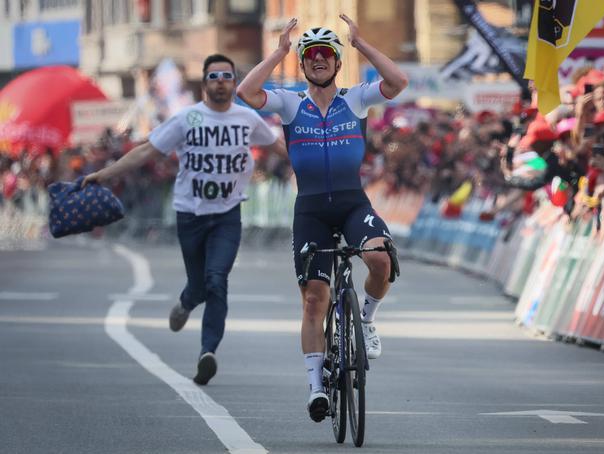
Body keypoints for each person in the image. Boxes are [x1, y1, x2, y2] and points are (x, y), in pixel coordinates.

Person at [236, 15, 408, 422]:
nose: (317, 60)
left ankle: (365, 319)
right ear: (303, 63)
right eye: (309, 55)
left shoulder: (358, 98)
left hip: (352, 203)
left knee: (381, 259)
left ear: (336, 62)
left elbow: (398, 82)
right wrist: (279, 52)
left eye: (325, 55)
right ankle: (316, 387)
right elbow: (246, 91)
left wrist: (362, 45)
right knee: (315, 299)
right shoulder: (290, 102)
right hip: (311, 208)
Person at [83, 54, 286, 385]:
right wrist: (106, 173)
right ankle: (186, 302)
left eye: (226, 76)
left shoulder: (247, 120)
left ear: (235, 83)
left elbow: (280, 148)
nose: (220, 82)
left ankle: (208, 352)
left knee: (217, 281)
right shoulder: (187, 119)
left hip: (227, 215)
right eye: (214, 77)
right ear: (204, 84)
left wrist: (323, 170)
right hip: (190, 214)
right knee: (199, 284)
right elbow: (147, 151)